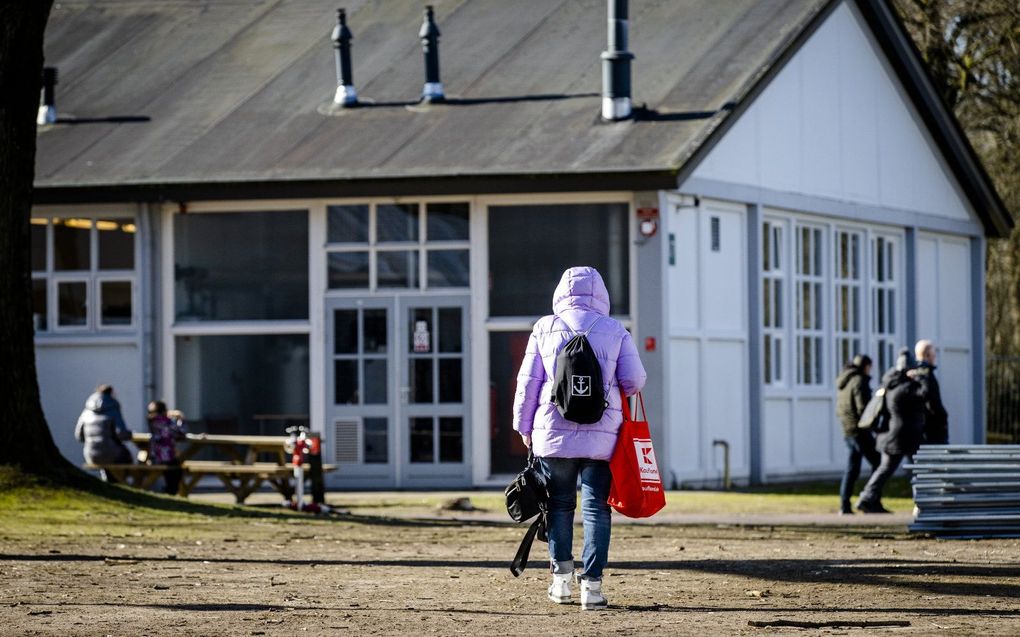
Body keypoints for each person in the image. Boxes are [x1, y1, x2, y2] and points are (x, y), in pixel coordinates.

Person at [512, 266, 647, 611]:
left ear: (560, 293)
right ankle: (593, 587)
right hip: (602, 438)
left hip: (553, 435)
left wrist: (524, 428)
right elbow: (634, 381)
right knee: (596, 509)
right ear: (600, 294)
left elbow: (528, 385)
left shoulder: (544, 328)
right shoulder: (615, 330)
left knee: (558, 505)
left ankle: (561, 582)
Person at [856, 348, 925, 513]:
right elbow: (924, 395)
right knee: (918, 470)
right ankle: (921, 503)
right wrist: (921, 378)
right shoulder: (906, 387)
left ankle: (866, 497)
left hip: (888, 434)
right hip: (904, 434)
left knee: (885, 468)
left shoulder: (888, 383)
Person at [836, 355, 880, 515]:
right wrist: (875, 426)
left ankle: (844, 504)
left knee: (852, 468)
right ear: (866, 366)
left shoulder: (845, 381)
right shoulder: (859, 381)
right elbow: (864, 409)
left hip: (847, 430)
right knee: (879, 463)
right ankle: (871, 501)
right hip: (859, 430)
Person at [74, 384, 134, 482]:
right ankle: (124, 482)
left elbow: (79, 436)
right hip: (112, 454)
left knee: (109, 456)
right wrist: (129, 434)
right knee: (126, 456)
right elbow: (122, 434)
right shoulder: (113, 407)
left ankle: (109, 481)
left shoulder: (87, 411)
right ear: (110, 393)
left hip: (90, 455)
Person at [146, 401, 186, 495]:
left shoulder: (151, 421)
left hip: (153, 457)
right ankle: (171, 491)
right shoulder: (166, 421)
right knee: (177, 467)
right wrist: (181, 418)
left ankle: (168, 490)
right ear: (164, 411)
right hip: (165, 458)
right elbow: (181, 433)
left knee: (173, 466)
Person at [914, 339, 949, 445]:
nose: (935, 356)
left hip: (925, 426)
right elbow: (932, 400)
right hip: (933, 428)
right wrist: (943, 416)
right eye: (933, 353)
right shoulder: (926, 374)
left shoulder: (916, 372)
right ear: (927, 355)